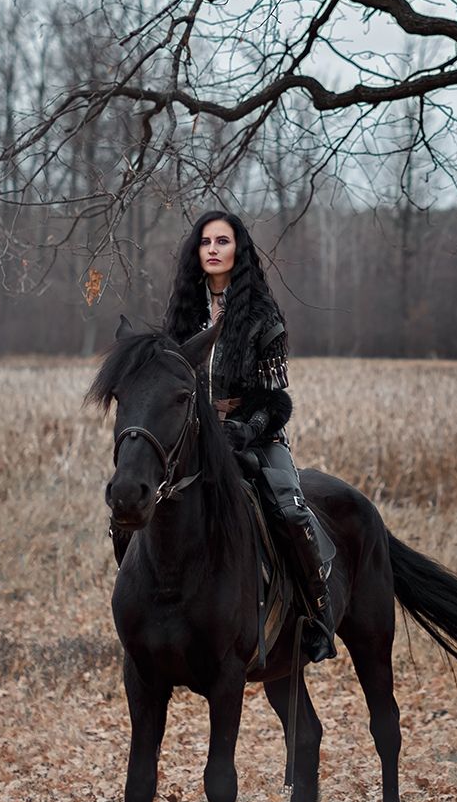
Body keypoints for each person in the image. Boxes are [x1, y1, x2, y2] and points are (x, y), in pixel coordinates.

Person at [116, 210, 337, 663]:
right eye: (205, 242)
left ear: (239, 251)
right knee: (130, 508)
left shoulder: (262, 317)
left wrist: (245, 429)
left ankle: (317, 616)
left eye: (223, 241)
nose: (213, 249)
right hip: (192, 440)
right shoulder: (182, 315)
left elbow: (278, 402)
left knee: (291, 511)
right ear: (196, 252)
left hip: (255, 437)